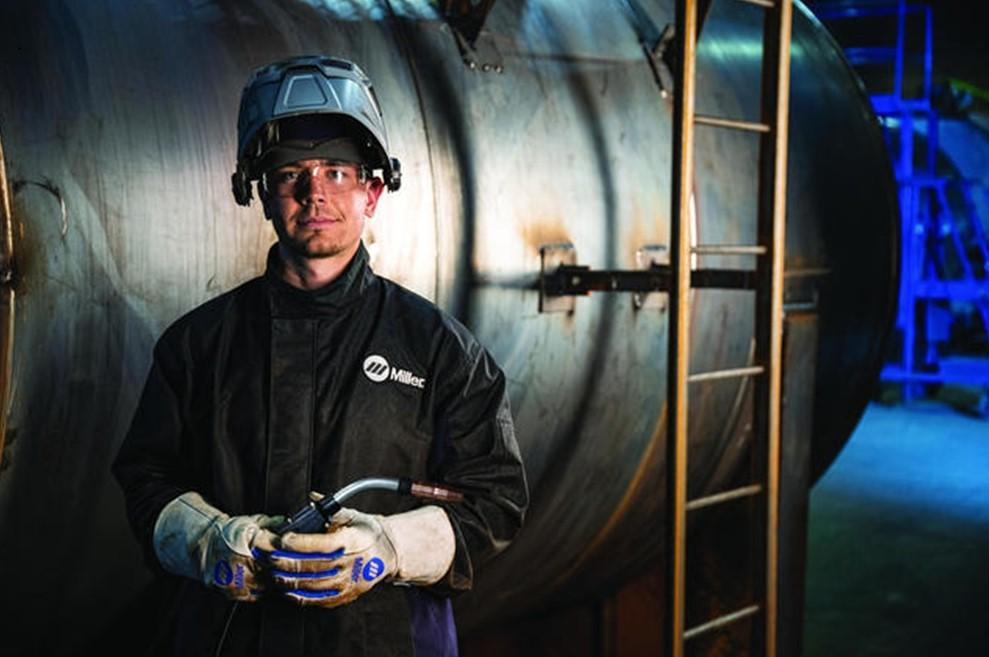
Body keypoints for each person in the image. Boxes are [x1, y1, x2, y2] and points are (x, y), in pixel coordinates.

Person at [112, 55, 528, 657]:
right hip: (228, 641)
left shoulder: (439, 348)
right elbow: (146, 479)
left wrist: (390, 548)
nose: (314, 193)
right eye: (290, 174)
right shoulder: (197, 344)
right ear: (259, 192)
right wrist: (208, 541)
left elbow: (497, 498)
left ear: (373, 191)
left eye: (337, 171)